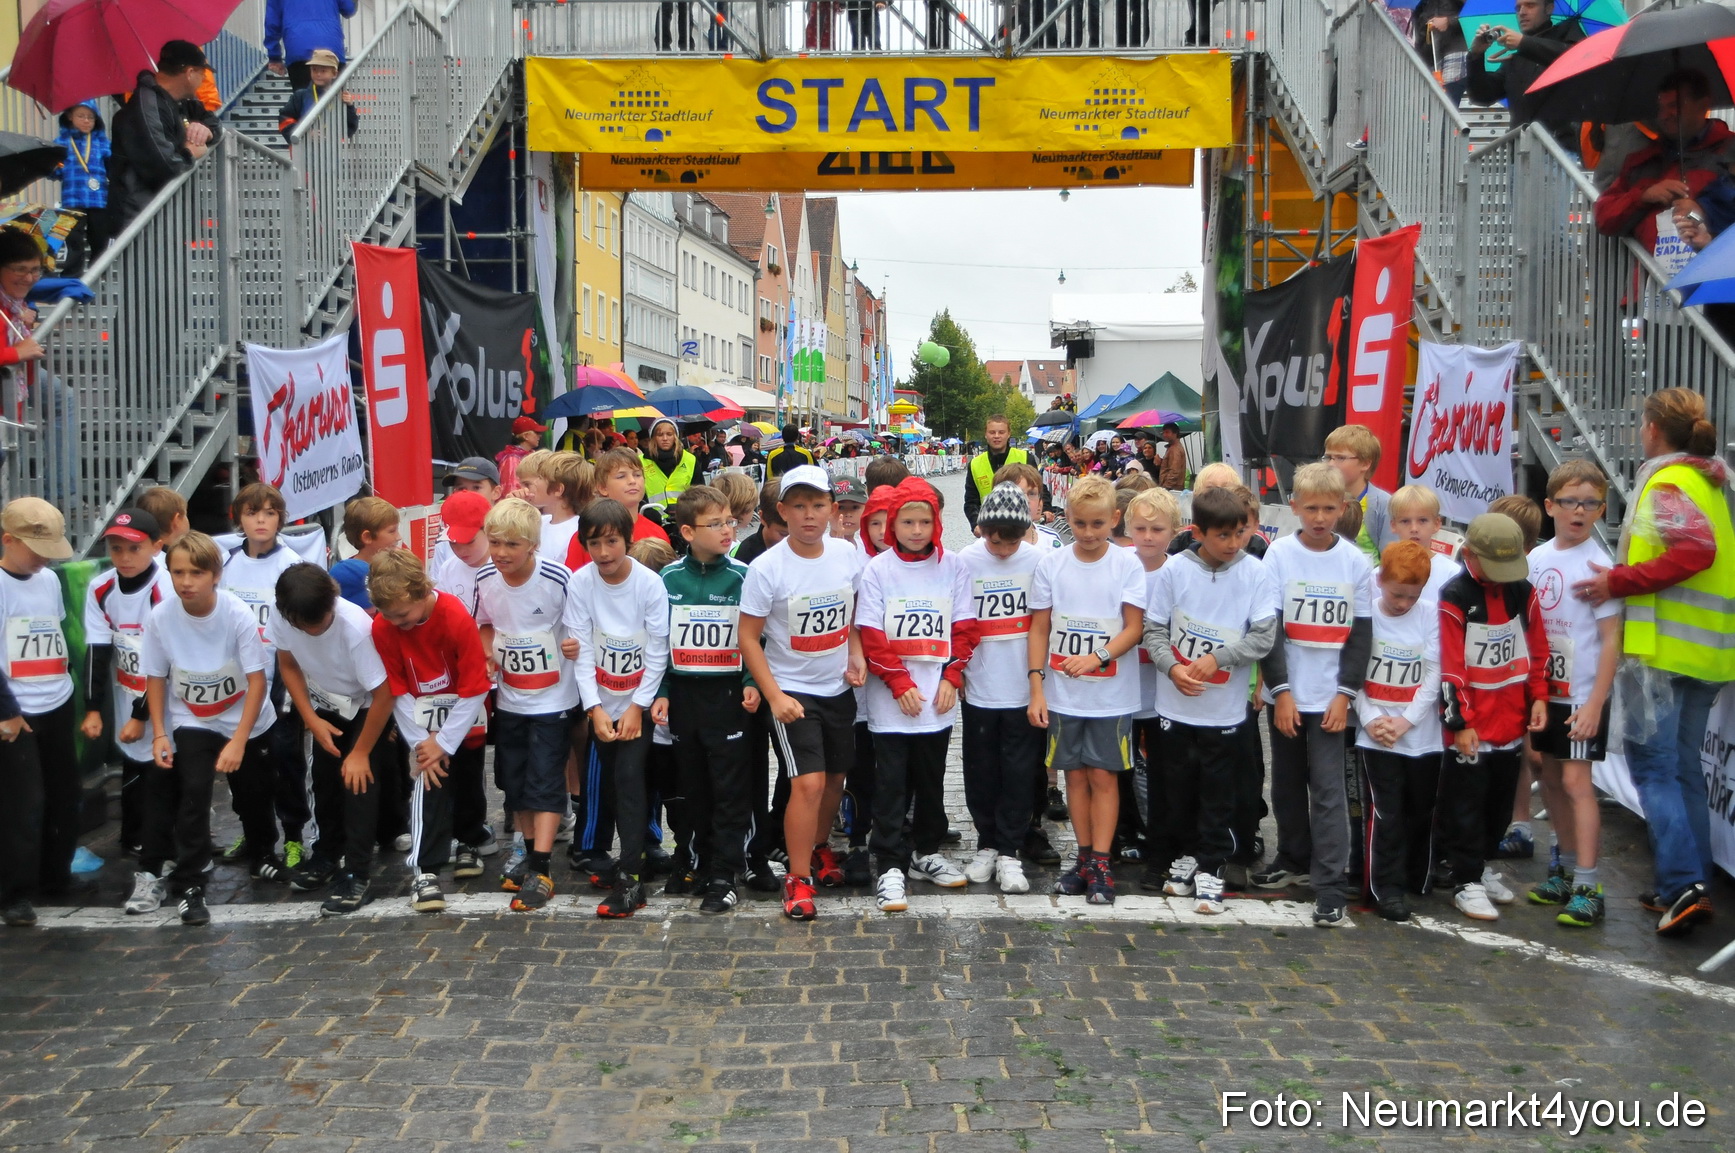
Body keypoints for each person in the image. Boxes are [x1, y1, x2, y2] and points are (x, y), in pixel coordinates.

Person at [1573, 388, 1733, 936]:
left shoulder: (1668, 482)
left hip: (1662, 653)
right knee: (1685, 771)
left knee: (1655, 770)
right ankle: (1684, 883)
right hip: (1705, 652)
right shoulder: (1707, 481)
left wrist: (1617, 580)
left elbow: (1694, 553)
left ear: (1652, 430)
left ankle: (1685, 884)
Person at [738, 465, 867, 920]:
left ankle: (816, 847)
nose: (809, 516)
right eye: (799, 507)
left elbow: (850, 615)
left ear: (833, 510)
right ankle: (797, 878)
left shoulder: (847, 555)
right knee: (807, 782)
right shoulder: (766, 568)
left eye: (818, 506)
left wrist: (855, 652)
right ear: (782, 512)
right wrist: (773, 696)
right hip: (791, 692)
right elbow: (748, 638)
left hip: (836, 688)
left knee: (834, 780)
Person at [1145, 486, 1278, 913]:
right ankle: (1187, 857)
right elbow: (1154, 630)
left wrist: (1218, 658)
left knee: (1218, 791)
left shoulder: (1255, 573)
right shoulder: (1174, 572)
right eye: (1223, 536)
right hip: (1175, 706)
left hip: (1224, 711)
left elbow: (1262, 638)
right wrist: (1173, 668)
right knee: (1178, 789)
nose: (1234, 543)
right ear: (1198, 532)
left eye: (1239, 533)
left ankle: (1212, 865)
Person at [1254, 463, 1374, 927]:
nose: (1320, 517)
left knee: (1327, 789)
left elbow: (1360, 635)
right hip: (1287, 693)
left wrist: (1345, 695)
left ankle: (1329, 883)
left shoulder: (1355, 562)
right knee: (1285, 782)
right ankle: (1292, 858)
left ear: (1343, 508)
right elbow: (1271, 631)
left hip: (1330, 700)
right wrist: (1280, 691)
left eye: (1329, 508)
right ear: (1295, 508)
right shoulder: (1280, 556)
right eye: (1311, 509)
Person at [1026, 475, 1148, 907]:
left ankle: (1101, 860)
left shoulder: (1126, 565)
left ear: (1115, 519)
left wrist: (1097, 656)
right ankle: (1081, 858)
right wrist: (1037, 685)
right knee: (1074, 776)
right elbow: (1039, 626)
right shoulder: (1052, 564)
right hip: (1063, 693)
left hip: (1110, 694)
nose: (1089, 533)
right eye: (1080, 524)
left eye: (1098, 524)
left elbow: (1134, 628)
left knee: (1103, 775)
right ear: (1067, 520)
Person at [857, 478, 978, 912]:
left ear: (936, 523)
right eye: (907, 521)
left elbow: (964, 628)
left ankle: (925, 852)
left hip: (937, 700)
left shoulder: (953, 567)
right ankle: (889, 861)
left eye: (924, 521)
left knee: (931, 780)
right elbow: (871, 633)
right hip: (893, 702)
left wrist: (952, 677)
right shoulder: (879, 569)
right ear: (892, 523)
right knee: (890, 784)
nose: (915, 529)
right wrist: (899, 683)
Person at [142, 532, 274, 926]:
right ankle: (190, 881)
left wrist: (237, 740)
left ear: (215, 575)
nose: (186, 582)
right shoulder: (161, 617)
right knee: (194, 793)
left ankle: (264, 853)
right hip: (192, 717)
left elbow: (257, 681)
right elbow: (155, 677)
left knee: (255, 792)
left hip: (244, 717)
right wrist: (161, 733)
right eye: (178, 572)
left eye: (196, 573)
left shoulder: (236, 614)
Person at [1522, 461, 1621, 929]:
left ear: (1601, 510)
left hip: (1581, 695)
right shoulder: (1538, 559)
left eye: (1589, 504)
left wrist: (1596, 704)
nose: (1578, 511)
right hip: (1546, 694)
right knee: (1551, 777)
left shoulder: (1601, 567)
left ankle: (1588, 883)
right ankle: (1560, 868)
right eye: (1569, 502)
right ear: (1550, 506)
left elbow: (1611, 642)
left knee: (1579, 783)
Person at [1438, 513, 1550, 922]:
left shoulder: (1523, 591)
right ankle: (1464, 879)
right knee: (1466, 803)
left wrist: (1539, 697)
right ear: (1471, 555)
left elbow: (1536, 648)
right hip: (1473, 725)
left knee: (1500, 804)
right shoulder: (1454, 595)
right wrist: (1461, 722)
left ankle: (1481, 867)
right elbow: (1451, 666)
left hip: (1511, 721)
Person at [473, 498, 582, 913]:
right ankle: (523, 849)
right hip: (511, 697)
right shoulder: (486, 576)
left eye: (511, 545)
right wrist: (488, 653)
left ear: (533, 546)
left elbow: (578, 625)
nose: (501, 553)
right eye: (495, 542)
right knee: (512, 779)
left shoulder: (557, 578)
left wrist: (573, 645)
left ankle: (540, 865)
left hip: (553, 698)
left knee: (545, 778)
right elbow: (484, 622)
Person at [368, 549, 491, 914]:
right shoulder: (383, 626)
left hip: (464, 718)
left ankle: (470, 837)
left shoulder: (454, 616)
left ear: (423, 592)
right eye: (388, 616)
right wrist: (425, 743)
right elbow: (397, 689)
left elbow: (476, 686)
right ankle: (425, 868)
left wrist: (446, 740)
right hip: (421, 722)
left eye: (403, 615)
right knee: (429, 779)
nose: (396, 622)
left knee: (469, 777)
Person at [268, 564, 395, 915]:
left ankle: (357, 870)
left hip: (369, 708)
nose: (310, 631)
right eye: (301, 626)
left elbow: (384, 694)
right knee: (324, 781)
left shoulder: (355, 628)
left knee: (359, 785)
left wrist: (360, 752)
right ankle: (326, 852)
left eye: (318, 624)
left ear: (333, 602)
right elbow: (288, 664)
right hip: (324, 704)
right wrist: (310, 719)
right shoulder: (283, 617)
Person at [653, 486, 757, 915]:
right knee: (692, 786)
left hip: (728, 695)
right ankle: (693, 860)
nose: (727, 530)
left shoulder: (742, 576)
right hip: (685, 696)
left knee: (729, 788)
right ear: (687, 531)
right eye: (716, 524)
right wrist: (660, 692)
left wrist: (751, 680)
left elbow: (754, 636)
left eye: (730, 521)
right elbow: (659, 643)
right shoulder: (668, 578)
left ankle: (725, 872)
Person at [572, 499, 671, 918]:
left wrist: (638, 707)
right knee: (611, 785)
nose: (604, 553)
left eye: (612, 542)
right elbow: (579, 649)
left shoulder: (650, 584)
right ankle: (621, 857)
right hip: (602, 702)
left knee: (631, 781)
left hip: (639, 704)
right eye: (594, 544)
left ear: (627, 541)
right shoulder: (580, 583)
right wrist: (594, 708)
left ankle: (632, 877)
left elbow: (657, 649)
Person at [0, 499, 85, 928]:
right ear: (7, 540)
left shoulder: (49, 579)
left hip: (56, 698)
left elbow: (56, 632)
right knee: (23, 802)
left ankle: (56, 874)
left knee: (63, 794)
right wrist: (8, 710)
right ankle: (14, 890)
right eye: (35, 547)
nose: (43, 557)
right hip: (17, 709)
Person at [958, 484, 1043, 896]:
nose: (1003, 547)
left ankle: (1010, 848)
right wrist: (955, 673)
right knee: (980, 771)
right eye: (995, 537)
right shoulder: (966, 561)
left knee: (1020, 772)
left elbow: (1045, 623)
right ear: (981, 529)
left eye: (1012, 539)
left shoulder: (1039, 560)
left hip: (1023, 687)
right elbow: (956, 622)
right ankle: (987, 842)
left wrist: (1039, 680)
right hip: (980, 686)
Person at [1354, 541, 1443, 922]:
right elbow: (1353, 674)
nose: (1403, 604)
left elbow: (1435, 672)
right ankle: (1384, 887)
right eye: (1396, 594)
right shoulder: (1366, 618)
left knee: (1420, 809)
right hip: (1375, 736)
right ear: (1380, 581)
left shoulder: (1430, 617)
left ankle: (1415, 875)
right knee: (1385, 812)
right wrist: (1372, 718)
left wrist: (1407, 720)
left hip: (1421, 736)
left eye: (1412, 596)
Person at [82, 508, 173, 871]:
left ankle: (169, 847)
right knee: (134, 767)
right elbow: (97, 648)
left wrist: (141, 716)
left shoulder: (165, 586)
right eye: (116, 548)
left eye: (134, 549)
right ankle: (136, 839)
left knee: (165, 772)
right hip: (127, 692)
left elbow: (165, 661)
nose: (124, 557)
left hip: (167, 700)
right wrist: (92, 707)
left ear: (156, 547)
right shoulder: (101, 587)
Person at [218, 483, 300, 875]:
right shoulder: (227, 562)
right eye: (253, 513)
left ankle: (296, 836)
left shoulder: (292, 563)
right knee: (245, 769)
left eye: (269, 513)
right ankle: (254, 832)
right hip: (237, 687)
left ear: (280, 518)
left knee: (286, 765)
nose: (261, 520)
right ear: (240, 518)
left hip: (278, 686)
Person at [1594, 71, 1735, 280]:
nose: (1665, 114)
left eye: (1675, 105)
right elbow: (1604, 217)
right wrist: (1643, 196)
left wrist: (1702, 211)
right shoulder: (1642, 160)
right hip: (1649, 293)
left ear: (1703, 104)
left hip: (1713, 291)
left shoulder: (1729, 151)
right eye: (1661, 107)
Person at [1123, 487, 1180, 868]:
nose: (1147, 537)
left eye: (1157, 529)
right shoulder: (1118, 564)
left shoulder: (1179, 571)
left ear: (1174, 531)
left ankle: (1162, 835)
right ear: (1127, 528)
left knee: (1163, 769)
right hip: (1122, 687)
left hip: (1162, 691)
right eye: (1140, 528)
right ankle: (1125, 832)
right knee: (1121, 766)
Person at [108, 41, 223, 226]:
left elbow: (213, 122)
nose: (203, 80)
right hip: (139, 219)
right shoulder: (146, 104)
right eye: (203, 73)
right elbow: (163, 166)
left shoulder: (181, 101)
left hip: (162, 216)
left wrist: (206, 130)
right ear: (190, 73)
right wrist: (190, 153)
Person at [1465, 0, 1584, 150]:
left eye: (1530, 5)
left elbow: (1575, 58)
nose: (1522, 12)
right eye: (1518, 8)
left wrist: (1523, 43)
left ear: (1549, 8)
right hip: (1520, 153)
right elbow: (1481, 96)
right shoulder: (1517, 58)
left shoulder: (1568, 34)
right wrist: (1476, 56)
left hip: (1560, 152)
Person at [566, 448, 671, 568]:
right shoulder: (588, 536)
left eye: (637, 475)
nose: (632, 481)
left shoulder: (657, 533)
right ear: (602, 487)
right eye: (621, 476)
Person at [52, 102, 112, 274]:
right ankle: (72, 275)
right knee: (73, 238)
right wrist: (57, 167)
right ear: (70, 116)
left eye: (91, 117)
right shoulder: (60, 143)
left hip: (98, 198)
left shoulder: (102, 143)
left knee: (99, 237)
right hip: (72, 198)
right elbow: (53, 173)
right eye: (81, 116)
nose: (86, 121)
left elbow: (112, 167)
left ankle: (98, 273)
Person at [1323, 425, 1393, 560]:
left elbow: (1391, 558)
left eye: (1340, 458)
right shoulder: (1320, 498)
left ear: (1365, 464)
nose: (1331, 464)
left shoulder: (1384, 504)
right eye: (1328, 457)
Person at [1385, 484, 1460, 600]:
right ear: (1393, 525)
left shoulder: (1452, 574)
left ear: (1437, 523)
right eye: (1405, 521)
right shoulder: (1383, 572)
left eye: (1422, 520)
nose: (1414, 528)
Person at [330, 496, 400, 612]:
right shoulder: (346, 574)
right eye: (392, 531)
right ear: (367, 537)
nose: (398, 537)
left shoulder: (399, 563)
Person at [520, 451, 590, 567]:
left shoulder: (578, 530)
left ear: (558, 489)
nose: (535, 483)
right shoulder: (540, 521)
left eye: (541, 478)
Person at [265, 0, 356, 88]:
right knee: (334, 100)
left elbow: (272, 22)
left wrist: (274, 56)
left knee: (304, 99)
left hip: (298, 46)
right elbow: (349, 9)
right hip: (331, 48)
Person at [964, 415, 1031, 530]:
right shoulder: (975, 464)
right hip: (988, 527)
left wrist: (1046, 509)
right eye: (992, 432)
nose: (996, 436)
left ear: (1008, 434)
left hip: (1020, 525)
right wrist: (975, 524)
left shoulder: (1025, 458)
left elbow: (1039, 491)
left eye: (1001, 432)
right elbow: (971, 500)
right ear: (986, 434)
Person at [276, 48, 358, 142]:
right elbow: (284, 120)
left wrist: (350, 106)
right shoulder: (300, 96)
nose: (318, 74)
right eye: (314, 70)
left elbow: (350, 129)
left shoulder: (340, 98)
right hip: (303, 151)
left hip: (331, 151)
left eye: (323, 71)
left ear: (334, 74)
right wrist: (304, 133)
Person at [1414, 0, 1469, 106]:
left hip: (1454, 52)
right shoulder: (1423, 4)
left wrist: (1448, 21)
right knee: (1436, 106)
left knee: (1448, 102)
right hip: (1433, 58)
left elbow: (1470, 15)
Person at [641, 418, 698, 511]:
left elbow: (699, 494)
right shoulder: (641, 462)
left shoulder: (690, 460)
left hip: (684, 518)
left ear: (675, 437)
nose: (665, 438)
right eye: (660, 435)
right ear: (653, 438)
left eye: (669, 434)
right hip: (652, 520)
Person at [494, 415, 546, 499]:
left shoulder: (528, 455)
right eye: (536, 432)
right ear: (525, 436)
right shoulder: (511, 459)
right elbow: (511, 491)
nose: (540, 436)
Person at [830, 476, 866, 543]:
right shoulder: (815, 549)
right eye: (840, 507)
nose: (848, 514)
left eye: (855, 507)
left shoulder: (866, 548)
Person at [1156, 423, 1188, 491]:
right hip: (1173, 487)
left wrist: (1165, 488)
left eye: (1167, 432)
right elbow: (1171, 466)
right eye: (1163, 432)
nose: (1164, 435)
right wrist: (1161, 462)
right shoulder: (1172, 447)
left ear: (1175, 433)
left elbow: (1174, 471)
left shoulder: (1175, 449)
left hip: (1172, 488)